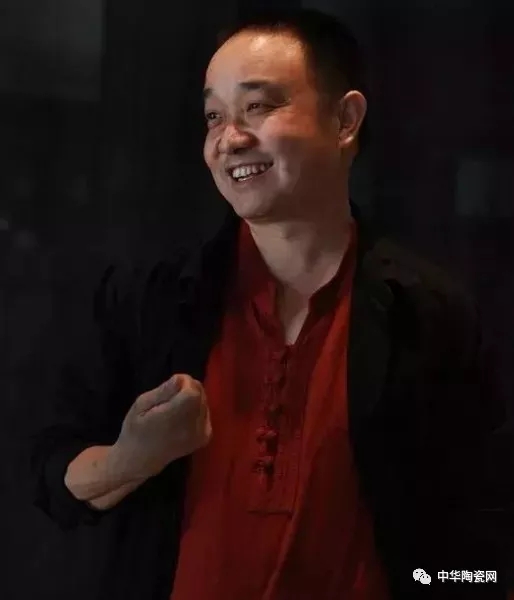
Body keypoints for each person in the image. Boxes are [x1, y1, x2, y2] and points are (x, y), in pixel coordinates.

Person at [28, 8, 510, 600]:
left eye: (257, 106)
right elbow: (51, 473)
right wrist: (132, 457)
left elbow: (484, 546)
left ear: (345, 120)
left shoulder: (428, 315)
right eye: (214, 116)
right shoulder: (151, 300)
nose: (229, 139)